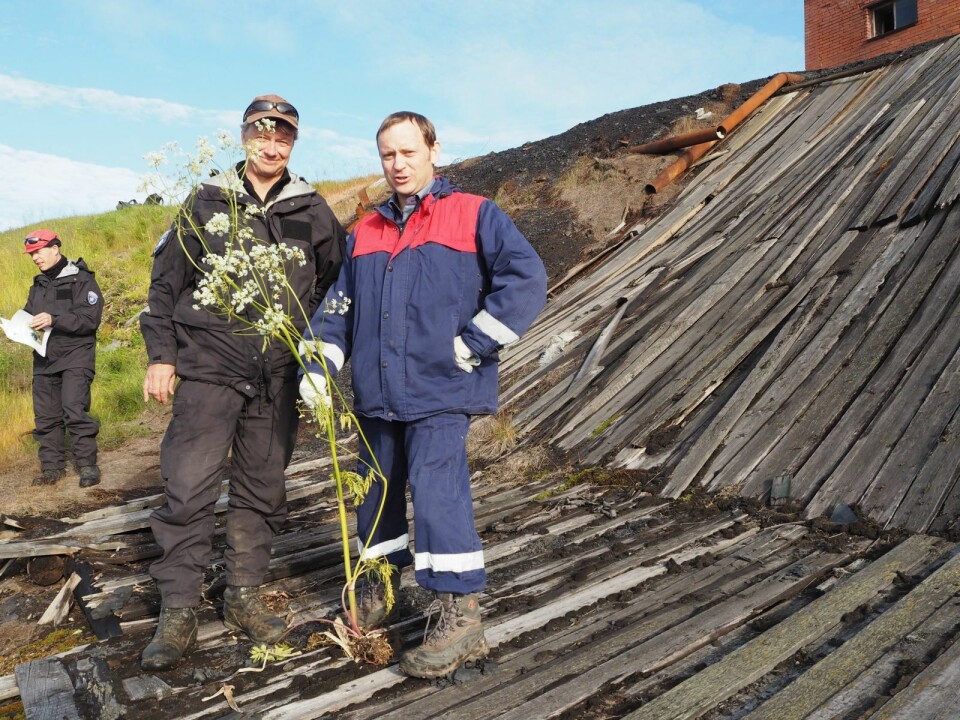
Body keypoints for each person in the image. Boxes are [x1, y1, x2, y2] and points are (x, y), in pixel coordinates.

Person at [300, 111, 547, 678]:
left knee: (439, 498)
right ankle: (381, 591)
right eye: (387, 154)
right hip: (376, 395)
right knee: (375, 496)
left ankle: (461, 614)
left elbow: (527, 277)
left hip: (441, 389)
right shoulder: (366, 231)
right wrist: (318, 364)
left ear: (434, 150)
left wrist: (475, 342)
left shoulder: (474, 214)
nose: (398, 164)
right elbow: (339, 307)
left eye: (409, 152)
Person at [139, 94, 346, 671]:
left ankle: (243, 595)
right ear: (243, 135)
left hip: (278, 375)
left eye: (283, 135)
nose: (272, 143)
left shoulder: (314, 210)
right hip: (208, 367)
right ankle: (178, 608)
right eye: (262, 132)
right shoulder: (205, 201)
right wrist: (162, 356)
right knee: (188, 486)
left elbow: (336, 286)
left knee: (262, 489)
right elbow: (164, 285)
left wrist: (319, 353)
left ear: (294, 143)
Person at [21, 229, 103, 488]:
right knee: (46, 417)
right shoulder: (38, 285)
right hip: (44, 359)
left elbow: (90, 319)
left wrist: (55, 320)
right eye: (31, 254)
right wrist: (16, 325)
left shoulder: (82, 279)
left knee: (73, 410)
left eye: (38, 251)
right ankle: (52, 468)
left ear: (55, 248)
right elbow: (28, 314)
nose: (35, 258)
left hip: (76, 356)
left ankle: (87, 465)